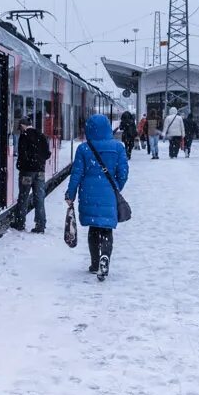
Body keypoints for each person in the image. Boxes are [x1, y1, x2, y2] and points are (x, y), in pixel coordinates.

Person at [65, 111, 129, 281]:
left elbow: (76, 174)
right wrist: (115, 187)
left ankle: (94, 264)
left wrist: (70, 194)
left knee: (94, 228)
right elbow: (123, 173)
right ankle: (105, 257)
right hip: (109, 193)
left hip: (88, 193)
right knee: (106, 229)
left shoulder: (84, 149)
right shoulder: (118, 147)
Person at [11, 116, 52, 233]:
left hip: (27, 173)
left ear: (23, 125)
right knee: (39, 198)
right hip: (40, 172)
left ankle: (20, 223)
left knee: (23, 197)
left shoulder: (24, 136)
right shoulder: (41, 135)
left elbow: (22, 154)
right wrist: (39, 161)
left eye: (20, 127)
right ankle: (40, 225)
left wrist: (21, 166)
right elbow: (47, 154)